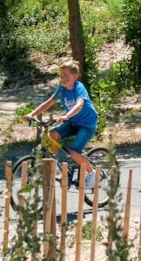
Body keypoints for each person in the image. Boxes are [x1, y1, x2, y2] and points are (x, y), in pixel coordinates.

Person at [25, 60, 99, 190]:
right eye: (61, 74)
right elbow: (48, 103)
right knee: (51, 135)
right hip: (72, 122)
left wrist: (66, 116)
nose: (62, 77)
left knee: (74, 152)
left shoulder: (79, 88)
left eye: (65, 74)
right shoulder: (62, 89)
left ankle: (92, 174)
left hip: (86, 125)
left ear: (74, 77)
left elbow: (79, 105)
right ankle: (58, 166)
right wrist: (32, 114)